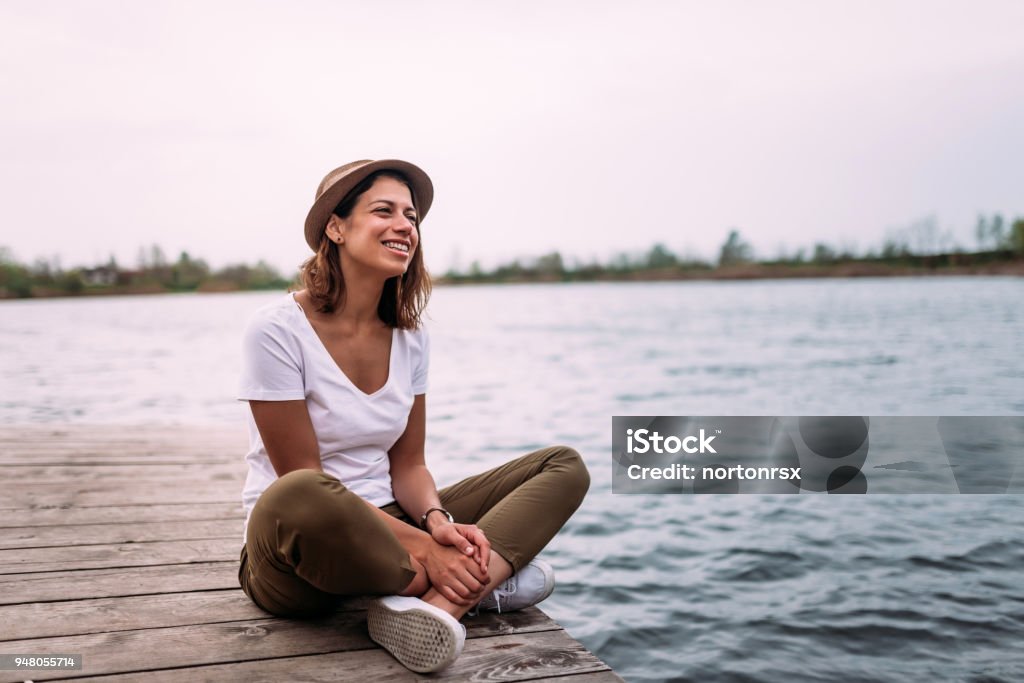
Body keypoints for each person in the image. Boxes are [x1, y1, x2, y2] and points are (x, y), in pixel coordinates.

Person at [236, 159, 590, 673]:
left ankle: (439, 608)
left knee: (563, 465)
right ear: (335, 227)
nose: (406, 226)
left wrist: (438, 521)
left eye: (412, 216)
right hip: (298, 548)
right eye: (385, 211)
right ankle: (482, 581)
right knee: (300, 491)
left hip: (395, 527)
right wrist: (429, 548)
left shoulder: (410, 336)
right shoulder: (275, 330)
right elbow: (300, 477)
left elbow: (408, 466)